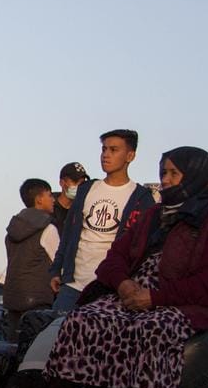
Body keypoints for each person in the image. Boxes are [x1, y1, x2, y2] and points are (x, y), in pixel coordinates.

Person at [25, 148, 208, 388]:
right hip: (130, 294)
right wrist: (124, 285)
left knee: (155, 327)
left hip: (177, 303)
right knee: (84, 319)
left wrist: (155, 298)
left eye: (173, 174)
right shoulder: (153, 216)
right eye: (163, 172)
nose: (165, 180)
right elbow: (113, 259)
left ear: (196, 177)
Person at [51, 131, 152, 313]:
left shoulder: (141, 199)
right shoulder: (86, 190)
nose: (106, 155)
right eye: (104, 149)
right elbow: (68, 234)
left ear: (130, 156)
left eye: (114, 150)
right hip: (73, 284)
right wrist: (57, 268)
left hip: (109, 288)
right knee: (56, 334)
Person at [2, 179, 61, 339]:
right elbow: (58, 263)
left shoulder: (12, 229)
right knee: (31, 349)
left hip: (12, 297)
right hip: (37, 300)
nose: (54, 199)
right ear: (39, 199)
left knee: (13, 347)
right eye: (50, 195)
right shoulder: (48, 229)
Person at [51, 161, 88, 231]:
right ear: (62, 183)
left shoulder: (84, 208)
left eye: (82, 183)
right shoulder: (49, 206)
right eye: (75, 181)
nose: (79, 186)